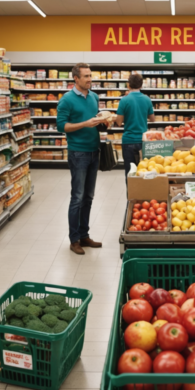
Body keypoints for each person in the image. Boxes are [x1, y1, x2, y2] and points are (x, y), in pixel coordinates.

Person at [56, 62, 108, 255]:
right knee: (77, 197)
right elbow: (62, 126)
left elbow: (94, 119)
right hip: (78, 153)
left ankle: (84, 235)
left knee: (88, 197)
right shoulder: (66, 100)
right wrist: (85, 123)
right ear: (76, 78)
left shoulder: (94, 96)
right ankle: (74, 239)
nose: (90, 79)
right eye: (86, 76)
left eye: (90, 76)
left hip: (94, 151)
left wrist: (103, 123)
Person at [115, 73, 154, 182]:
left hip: (128, 141)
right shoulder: (147, 99)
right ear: (141, 85)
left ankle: (131, 198)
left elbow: (119, 122)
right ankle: (143, 198)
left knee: (130, 173)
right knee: (145, 173)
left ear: (128, 85)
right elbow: (152, 119)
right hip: (144, 141)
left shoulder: (124, 100)